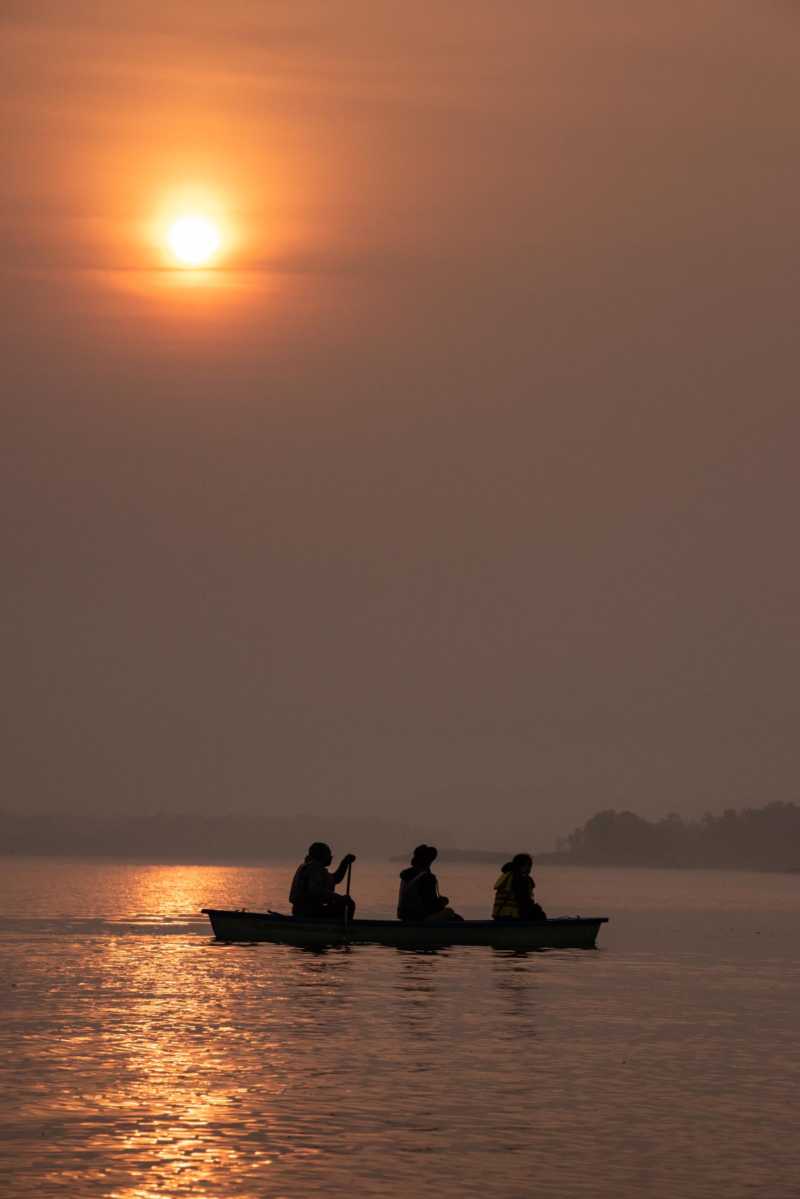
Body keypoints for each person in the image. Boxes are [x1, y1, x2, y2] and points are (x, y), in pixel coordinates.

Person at [289, 842, 356, 920]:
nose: (331, 857)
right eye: (328, 854)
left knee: (342, 902)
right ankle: (342, 929)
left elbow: (335, 879)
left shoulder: (311, 866)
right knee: (348, 904)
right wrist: (339, 898)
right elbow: (315, 890)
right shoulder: (314, 867)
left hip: (306, 909)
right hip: (308, 911)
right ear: (321, 856)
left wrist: (345, 862)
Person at [397, 844, 463, 922]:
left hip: (405, 917)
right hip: (420, 919)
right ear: (427, 861)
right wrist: (443, 902)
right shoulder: (427, 878)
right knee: (450, 912)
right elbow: (430, 907)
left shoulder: (406, 875)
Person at [492, 853, 547, 921]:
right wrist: (538, 911)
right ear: (520, 866)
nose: (529, 869)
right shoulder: (519, 879)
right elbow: (524, 901)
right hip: (512, 917)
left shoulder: (508, 875)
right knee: (539, 915)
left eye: (530, 866)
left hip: (499, 916)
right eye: (528, 865)